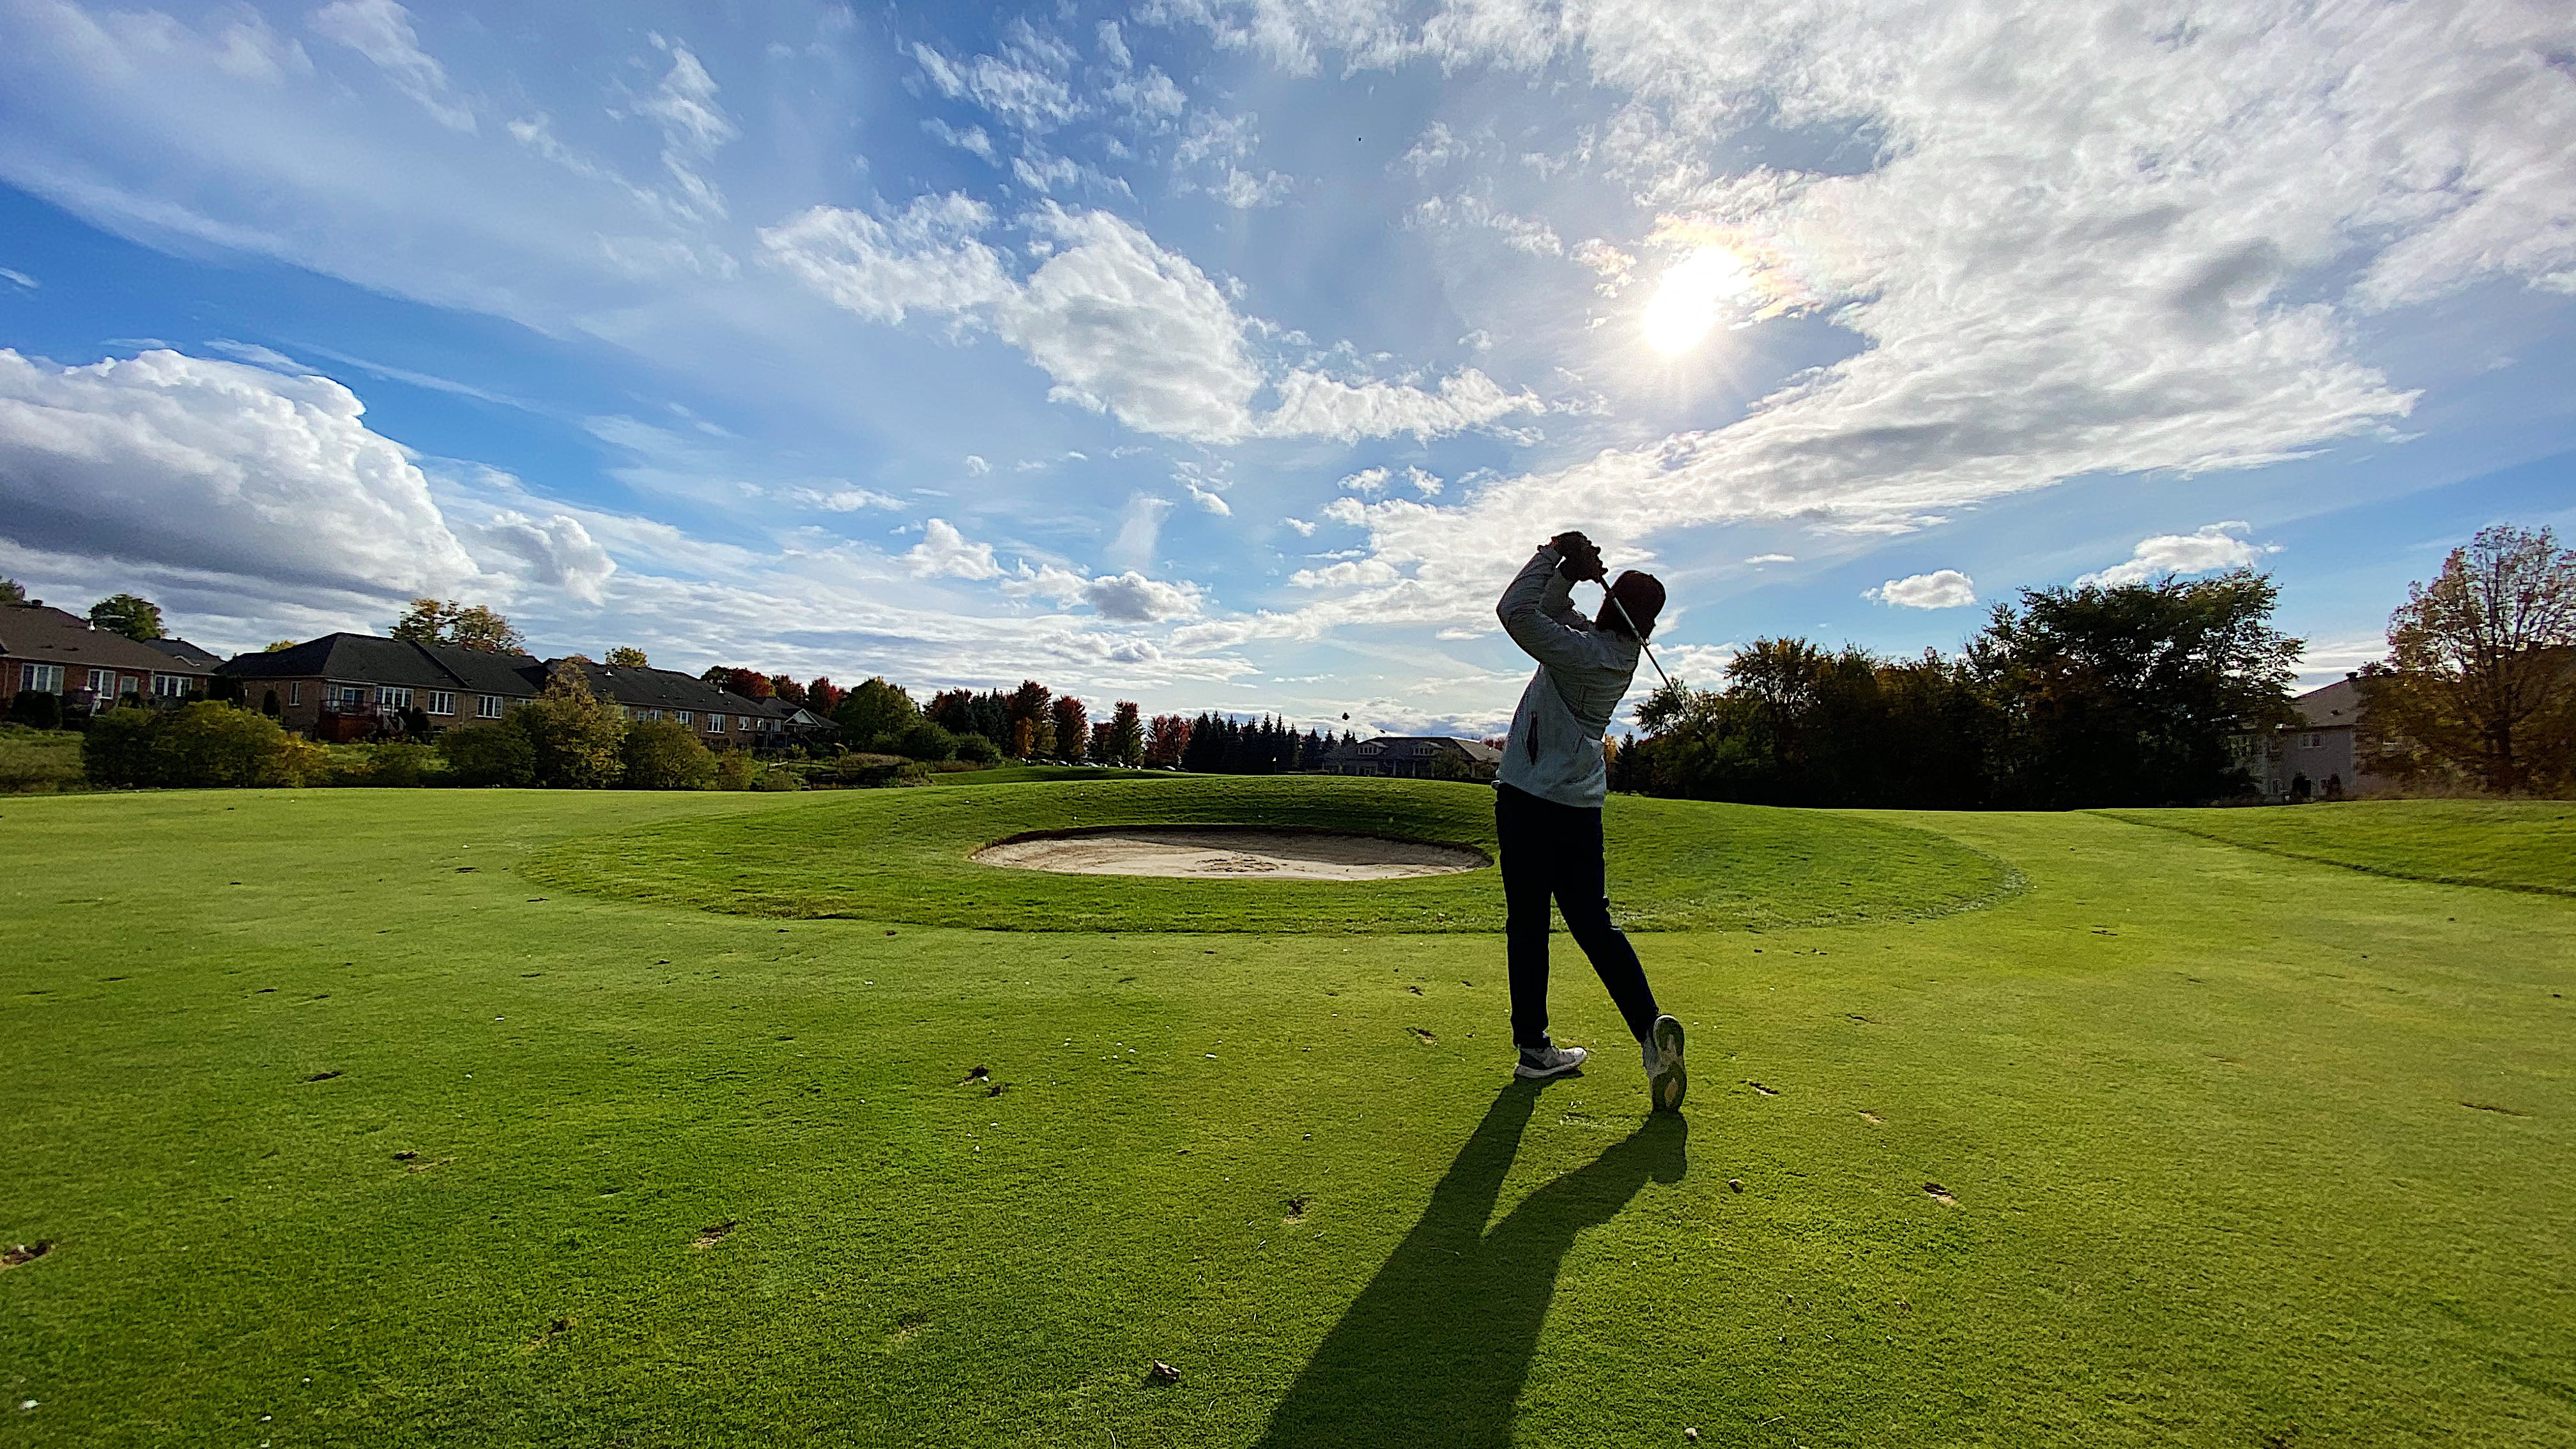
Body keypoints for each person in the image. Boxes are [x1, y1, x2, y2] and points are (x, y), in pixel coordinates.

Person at [1492, 530, 1686, 1112]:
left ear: (1611, 605)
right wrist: (1570, 573)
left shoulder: (1585, 652)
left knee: (1528, 925)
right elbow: (1552, 609)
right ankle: (1649, 1031)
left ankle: (1533, 1047)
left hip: (1528, 803)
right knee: (1594, 927)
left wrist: (1554, 553)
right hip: (1579, 813)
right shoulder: (1603, 648)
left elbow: (1517, 612)